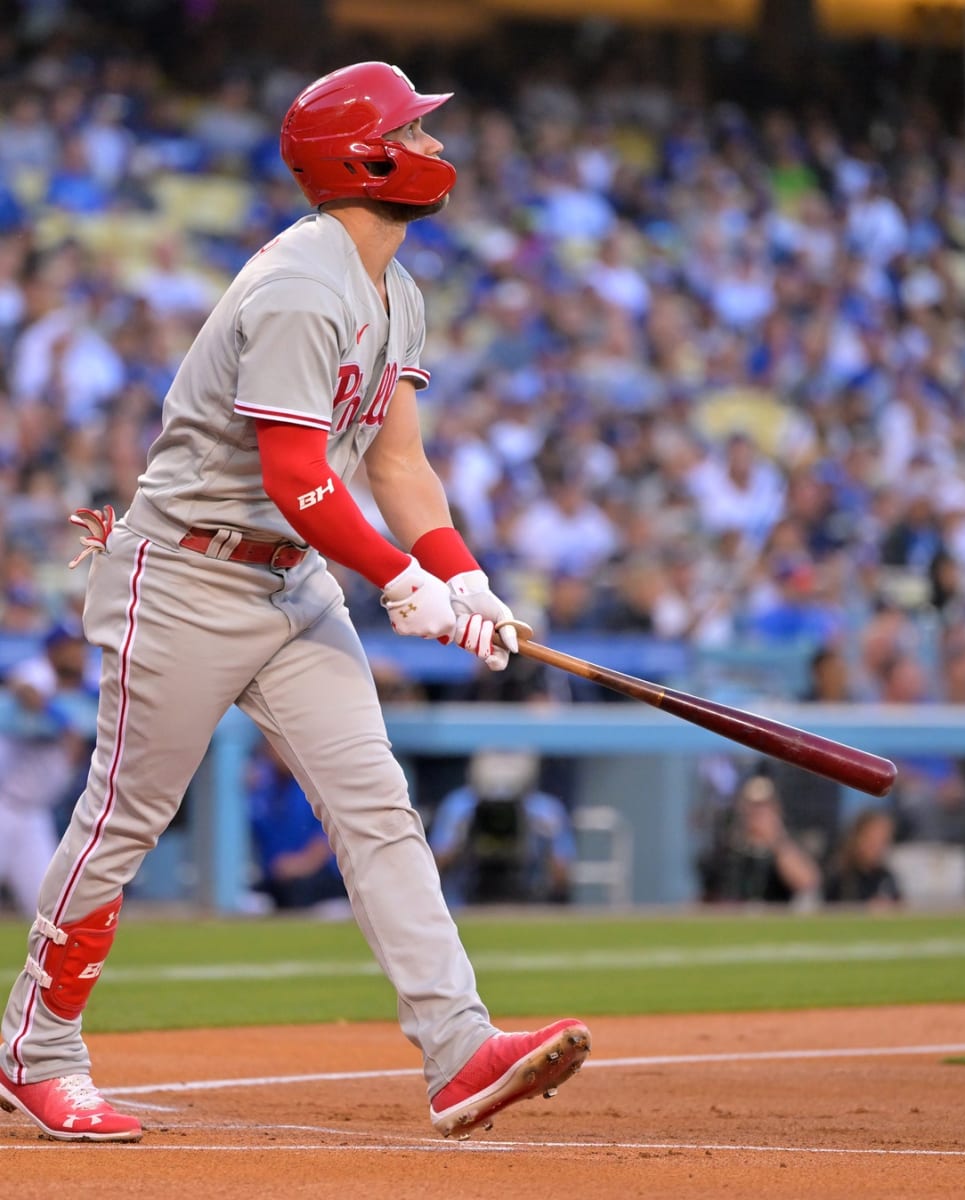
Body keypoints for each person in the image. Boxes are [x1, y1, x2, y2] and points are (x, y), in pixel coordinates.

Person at [0, 63, 589, 1145]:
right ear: (361, 156)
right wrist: (401, 581)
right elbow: (297, 474)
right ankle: (34, 1051)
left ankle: (460, 1049)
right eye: (409, 129)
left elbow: (398, 466)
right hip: (186, 572)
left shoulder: (392, 289)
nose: (428, 143)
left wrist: (462, 574)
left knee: (375, 804)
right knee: (121, 822)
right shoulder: (300, 284)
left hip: (290, 576)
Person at [0, 623, 91, 918]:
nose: (78, 653)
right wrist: (62, 720)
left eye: (79, 646)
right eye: (71, 647)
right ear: (54, 650)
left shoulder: (83, 685)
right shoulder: (38, 671)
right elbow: (23, 688)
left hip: (33, 816)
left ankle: (41, 965)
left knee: (47, 909)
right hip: (5, 804)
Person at [429, 750, 575, 907]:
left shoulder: (545, 809)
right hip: (467, 899)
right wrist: (462, 838)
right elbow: (435, 865)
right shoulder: (459, 805)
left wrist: (542, 839)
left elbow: (562, 874)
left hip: (527, 899)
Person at [246, 739, 348, 913]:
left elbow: (327, 839)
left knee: (302, 894)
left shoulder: (315, 784)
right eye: (271, 747)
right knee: (252, 901)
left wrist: (299, 865)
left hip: (320, 878)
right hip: (276, 877)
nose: (276, 753)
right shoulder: (262, 784)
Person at [699, 774, 820, 906]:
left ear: (776, 808)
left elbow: (808, 883)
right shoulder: (729, 849)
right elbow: (711, 894)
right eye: (752, 806)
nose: (757, 812)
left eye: (764, 806)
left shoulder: (790, 843)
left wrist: (776, 840)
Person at [822, 809, 902, 907]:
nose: (877, 848)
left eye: (882, 841)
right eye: (871, 840)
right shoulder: (840, 877)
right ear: (857, 838)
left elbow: (900, 905)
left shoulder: (886, 876)